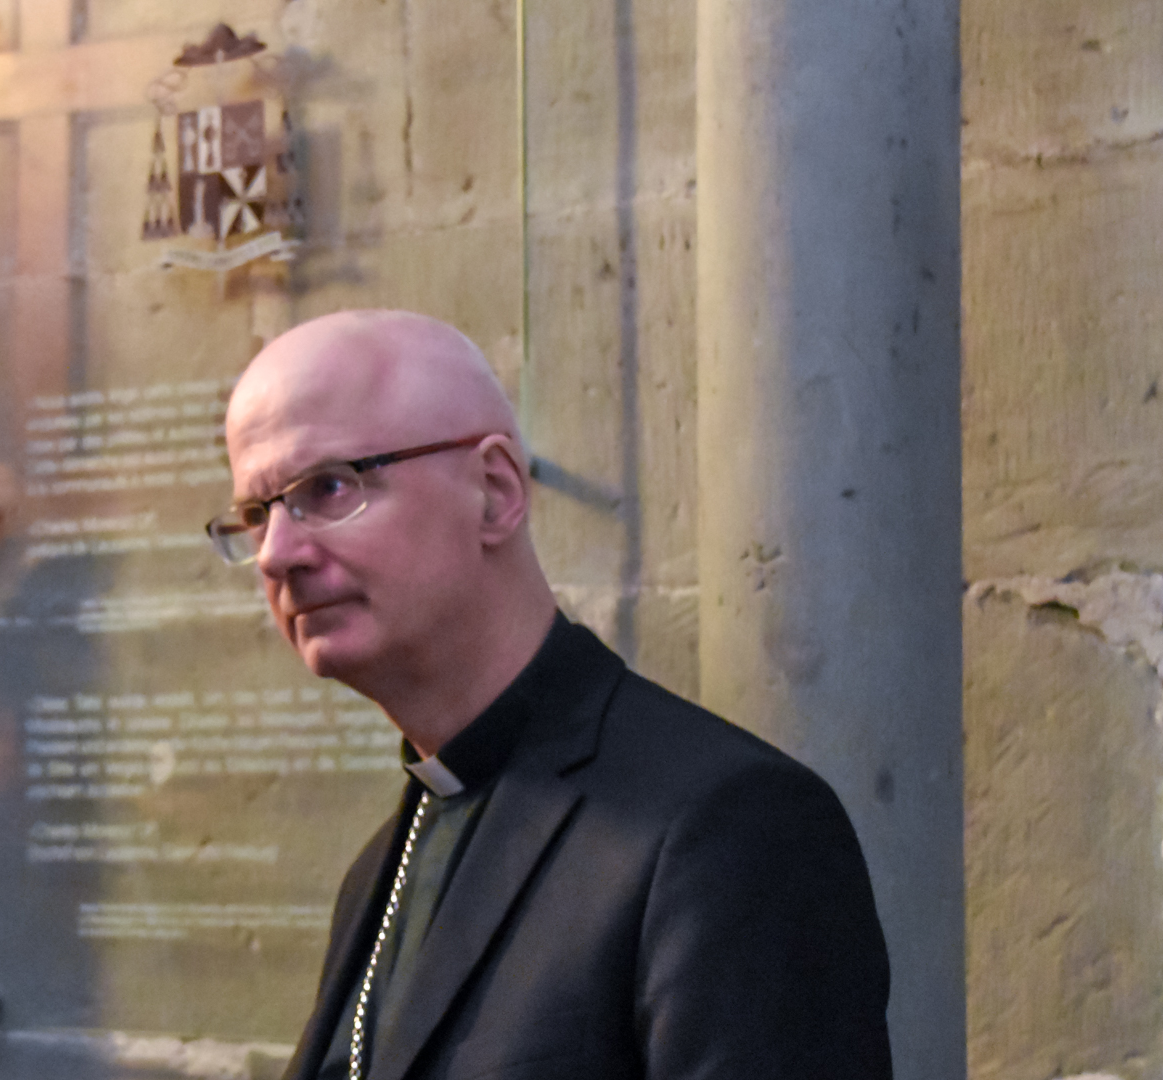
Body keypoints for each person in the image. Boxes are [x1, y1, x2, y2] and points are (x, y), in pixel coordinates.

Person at [206, 310, 891, 1080]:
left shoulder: (724, 829)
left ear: (495, 493)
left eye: (327, 488)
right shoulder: (382, 866)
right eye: (256, 515)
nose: (277, 554)